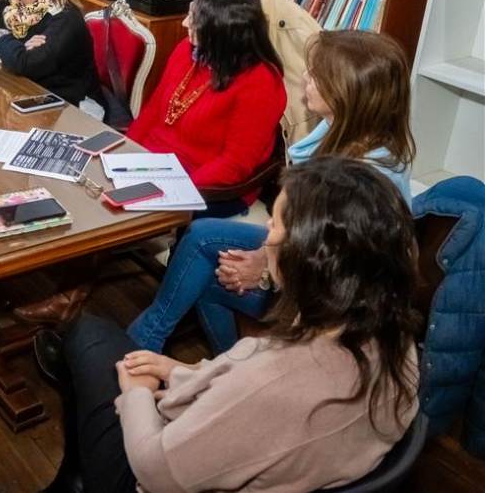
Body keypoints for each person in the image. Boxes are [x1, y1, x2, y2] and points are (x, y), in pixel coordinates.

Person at [42, 157, 420, 493]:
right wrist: (180, 372)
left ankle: (78, 480)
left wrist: (137, 394)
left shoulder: (271, 378)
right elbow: (243, 394)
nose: (266, 231)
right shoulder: (396, 340)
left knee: (86, 334)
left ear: (307, 258)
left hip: (153, 472)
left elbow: (155, 471)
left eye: (276, 225)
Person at [124, 30, 416, 355]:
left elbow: (331, 267)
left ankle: (208, 362)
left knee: (209, 275)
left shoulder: (365, 180)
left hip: (328, 288)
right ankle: (158, 343)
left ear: (346, 92)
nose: (305, 77)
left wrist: (265, 272)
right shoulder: (338, 129)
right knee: (202, 235)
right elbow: (302, 228)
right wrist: (264, 257)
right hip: (300, 247)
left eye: (316, 75)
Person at [126, 0, 286, 216]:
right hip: (151, 167)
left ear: (221, 30)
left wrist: (175, 189)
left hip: (206, 187)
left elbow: (235, 165)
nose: (184, 23)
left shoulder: (261, 82)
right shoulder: (186, 49)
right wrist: (123, 155)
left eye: (194, 19)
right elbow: (152, 112)